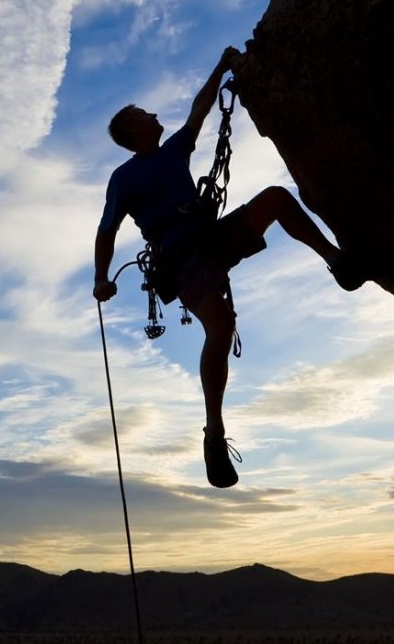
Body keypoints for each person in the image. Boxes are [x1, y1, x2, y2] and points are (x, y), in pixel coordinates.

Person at [92, 47, 369, 488]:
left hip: (210, 237)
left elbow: (200, 110)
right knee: (220, 325)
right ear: (133, 130)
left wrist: (221, 67)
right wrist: (100, 278)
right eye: (145, 113)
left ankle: (338, 262)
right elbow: (106, 230)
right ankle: (214, 432)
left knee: (276, 198)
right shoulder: (124, 179)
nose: (154, 114)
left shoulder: (173, 149)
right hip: (181, 261)